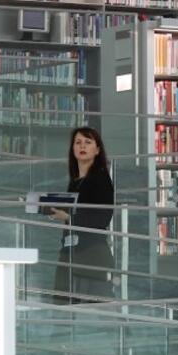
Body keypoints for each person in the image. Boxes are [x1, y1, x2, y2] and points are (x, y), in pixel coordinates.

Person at [50, 127, 115, 304]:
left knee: (98, 310)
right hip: (70, 250)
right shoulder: (75, 181)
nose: (82, 146)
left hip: (91, 251)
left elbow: (102, 218)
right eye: (78, 142)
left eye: (88, 142)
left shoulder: (101, 179)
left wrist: (68, 218)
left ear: (97, 149)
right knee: (62, 304)